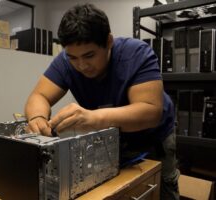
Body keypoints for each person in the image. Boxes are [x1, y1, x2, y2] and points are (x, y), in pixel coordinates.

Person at [24, 3, 179, 200]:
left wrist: (94, 118)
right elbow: (39, 96)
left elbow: (151, 112)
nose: (81, 65)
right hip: (112, 136)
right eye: (73, 57)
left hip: (153, 136)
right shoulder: (65, 61)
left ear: (109, 42)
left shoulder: (136, 54)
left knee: (161, 187)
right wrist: (37, 117)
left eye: (89, 55)